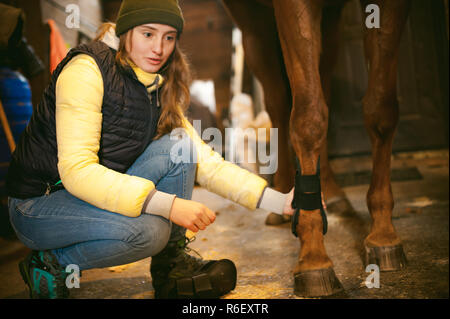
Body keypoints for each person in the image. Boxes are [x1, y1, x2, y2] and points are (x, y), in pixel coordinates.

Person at [6, 0, 295, 299]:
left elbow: (207, 164)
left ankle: (172, 265)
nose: (159, 47)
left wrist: (280, 202)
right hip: (39, 205)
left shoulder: (157, 84)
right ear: (126, 31)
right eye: (148, 34)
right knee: (150, 232)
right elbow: (77, 171)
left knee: (180, 146)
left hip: (88, 195)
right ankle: (51, 262)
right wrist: (168, 205)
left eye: (169, 37)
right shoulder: (86, 70)